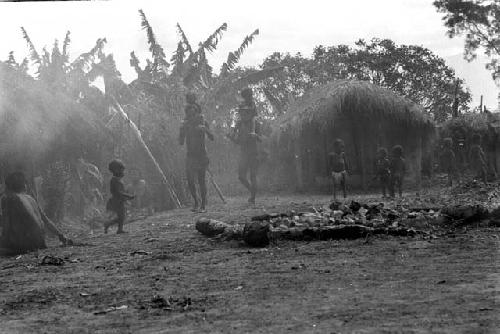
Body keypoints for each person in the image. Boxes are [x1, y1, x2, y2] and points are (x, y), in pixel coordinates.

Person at [0, 171, 72, 256]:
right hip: (40, 243)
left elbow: (6, 225)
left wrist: (4, 241)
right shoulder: (31, 198)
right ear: (24, 185)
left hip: (23, 246)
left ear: (8, 186)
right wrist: (61, 235)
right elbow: (46, 221)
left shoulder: (7, 198)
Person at [179, 92, 214, 212]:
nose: (190, 112)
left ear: (196, 111)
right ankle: (196, 202)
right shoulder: (185, 123)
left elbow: (212, 137)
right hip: (190, 155)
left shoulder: (202, 120)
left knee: (201, 179)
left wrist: (205, 130)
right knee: (190, 180)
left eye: (193, 110)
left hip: (201, 154)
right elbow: (180, 142)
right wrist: (182, 130)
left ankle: (203, 204)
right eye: (188, 110)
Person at [229, 88, 260, 204]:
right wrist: (232, 136)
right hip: (244, 151)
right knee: (241, 176)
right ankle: (253, 191)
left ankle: (253, 196)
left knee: (252, 175)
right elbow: (237, 140)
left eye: (245, 112)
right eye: (242, 112)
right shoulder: (239, 122)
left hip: (253, 150)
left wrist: (255, 135)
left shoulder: (254, 119)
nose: (243, 113)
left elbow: (260, 137)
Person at [104, 159, 135, 234]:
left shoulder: (118, 180)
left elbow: (121, 191)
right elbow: (118, 192)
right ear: (116, 170)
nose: (123, 172)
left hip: (119, 200)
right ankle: (116, 228)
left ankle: (111, 225)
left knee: (121, 216)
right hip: (117, 201)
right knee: (121, 216)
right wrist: (128, 196)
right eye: (122, 170)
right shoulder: (115, 180)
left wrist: (126, 195)